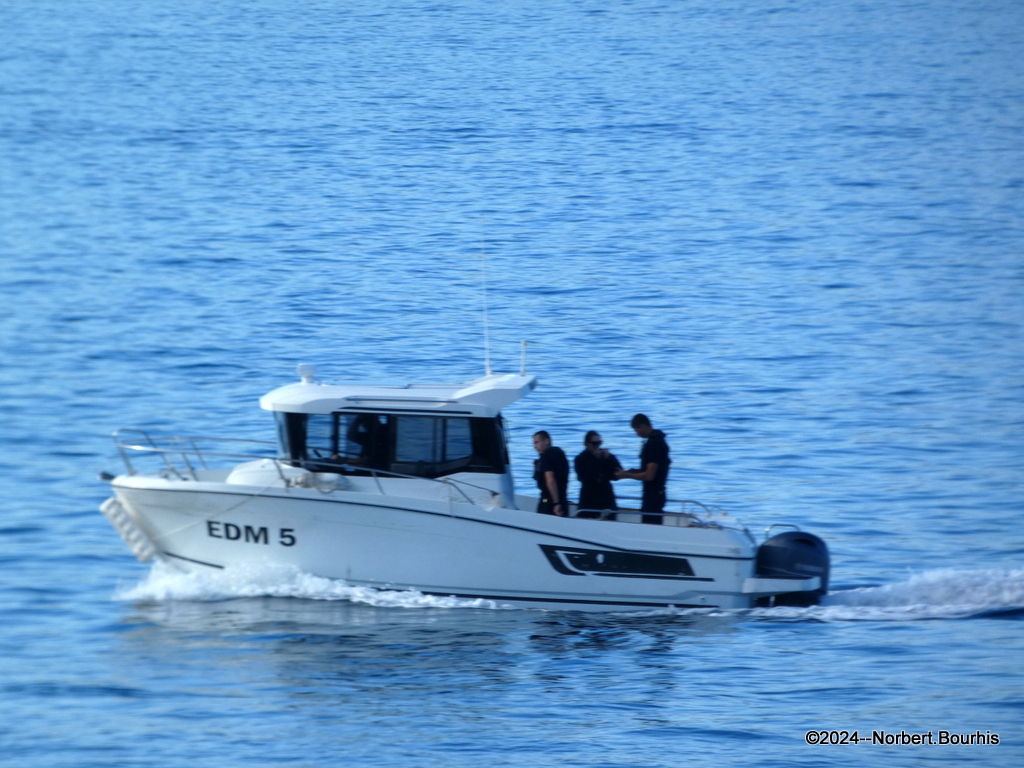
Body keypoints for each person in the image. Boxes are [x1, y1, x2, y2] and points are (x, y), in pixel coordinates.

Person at [615, 414, 670, 525]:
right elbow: (648, 469)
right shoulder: (655, 441)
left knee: (650, 525)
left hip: (653, 495)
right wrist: (632, 471)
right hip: (655, 493)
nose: (637, 433)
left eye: (637, 430)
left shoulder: (654, 443)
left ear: (643, 426)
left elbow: (649, 475)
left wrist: (627, 476)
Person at [574, 430, 622, 519]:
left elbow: (618, 474)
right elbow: (584, 477)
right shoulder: (580, 459)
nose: (597, 446)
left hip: (606, 497)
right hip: (589, 499)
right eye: (594, 443)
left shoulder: (607, 457)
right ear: (586, 444)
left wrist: (608, 460)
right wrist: (596, 461)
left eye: (599, 443)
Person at [532, 430, 569, 516]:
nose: (535, 446)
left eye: (537, 442)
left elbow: (550, 480)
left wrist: (556, 503)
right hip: (563, 499)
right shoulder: (560, 454)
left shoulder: (546, 458)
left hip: (548, 501)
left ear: (546, 441)